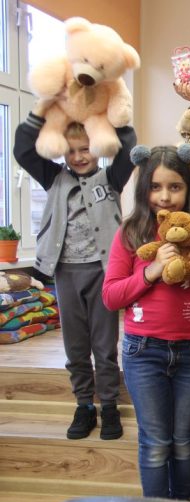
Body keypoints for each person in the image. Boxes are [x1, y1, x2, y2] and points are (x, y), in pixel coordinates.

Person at [102, 144, 190, 500]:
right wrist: (153, 271)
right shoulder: (131, 232)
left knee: (184, 437)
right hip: (143, 352)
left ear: (189, 188)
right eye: (156, 187)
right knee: (156, 440)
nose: (165, 196)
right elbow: (111, 296)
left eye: (175, 187)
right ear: (144, 188)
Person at [13, 100, 137, 441]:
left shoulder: (111, 177)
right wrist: (41, 111)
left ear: (98, 147)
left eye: (86, 149)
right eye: (71, 150)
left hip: (103, 274)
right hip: (66, 273)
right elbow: (22, 149)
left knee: (104, 345)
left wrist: (107, 110)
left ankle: (108, 405)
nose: (79, 156)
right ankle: (84, 404)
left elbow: (128, 145)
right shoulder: (54, 178)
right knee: (76, 346)